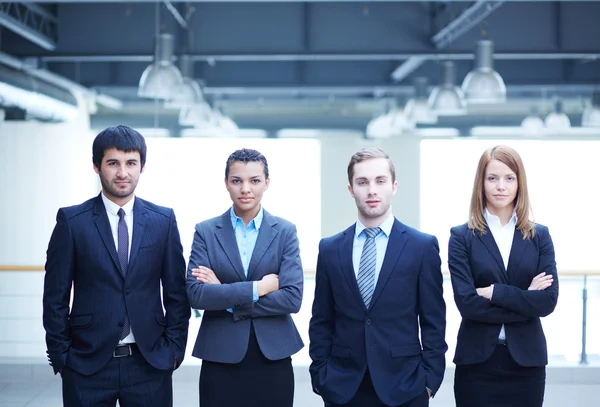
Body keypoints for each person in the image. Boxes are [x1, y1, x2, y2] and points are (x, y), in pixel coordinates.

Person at [42, 125, 190, 407]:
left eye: (131, 163)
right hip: (87, 365)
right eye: (113, 163)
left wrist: (174, 350)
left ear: (142, 167)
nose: (123, 172)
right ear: (97, 167)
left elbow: (176, 293)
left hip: (149, 362)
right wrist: (63, 356)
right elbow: (55, 296)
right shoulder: (72, 222)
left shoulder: (163, 221)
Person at [309, 147, 447, 407]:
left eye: (380, 181)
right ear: (351, 189)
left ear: (393, 186)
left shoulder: (422, 246)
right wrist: (321, 376)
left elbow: (434, 322)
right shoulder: (329, 249)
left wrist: (429, 382)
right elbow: (321, 320)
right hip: (343, 387)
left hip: (406, 387)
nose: (372, 190)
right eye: (362, 182)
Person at [186, 148, 304, 407]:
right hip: (220, 355)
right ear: (226, 183)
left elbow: (292, 299)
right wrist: (258, 288)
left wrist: (225, 295)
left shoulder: (284, 231)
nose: (245, 189)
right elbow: (196, 294)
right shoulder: (206, 231)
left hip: (272, 355)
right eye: (237, 180)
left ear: (267, 183)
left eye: (254, 180)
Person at [448, 144, 558, 407]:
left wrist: (495, 292)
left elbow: (547, 301)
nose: (501, 186)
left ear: (519, 183)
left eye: (509, 178)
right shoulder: (461, 237)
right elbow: (467, 305)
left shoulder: (539, 235)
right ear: (481, 183)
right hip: (477, 366)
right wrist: (525, 299)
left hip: (527, 367)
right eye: (493, 178)